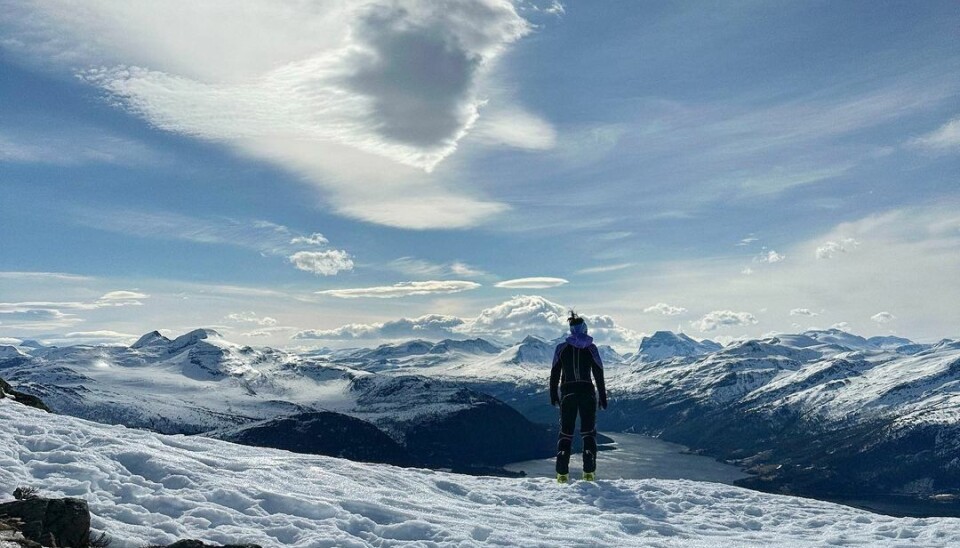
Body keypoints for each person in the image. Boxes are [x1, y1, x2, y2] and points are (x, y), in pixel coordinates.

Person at [550, 311, 607, 483]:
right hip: (587, 394)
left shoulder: (561, 348)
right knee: (588, 432)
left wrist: (553, 394)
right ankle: (588, 472)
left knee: (565, 433)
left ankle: (561, 473)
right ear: (584, 329)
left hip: (568, 394)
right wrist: (602, 397)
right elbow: (598, 373)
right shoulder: (591, 348)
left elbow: (554, 373)